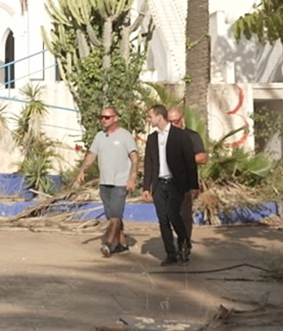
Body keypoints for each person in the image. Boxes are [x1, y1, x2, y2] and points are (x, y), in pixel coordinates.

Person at [142, 104, 206, 265]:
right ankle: (170, 253)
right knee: (162, 219)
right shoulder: (152, 138)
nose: (149, 120)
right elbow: (149, 163)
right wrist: (146, 187)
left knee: (174, 215)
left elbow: (190, 163)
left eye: (150, 116)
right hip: (159, 184)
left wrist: (193, 185)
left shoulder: (180, 136)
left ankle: (184, 245)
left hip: (175, 183)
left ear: (159, 116)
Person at [72, 106, 138, 257]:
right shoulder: (99, 136)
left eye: (107, 117)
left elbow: (134, 157)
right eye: (101, 117)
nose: (103, 120)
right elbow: (91, 155)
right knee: (113, 215)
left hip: (120, 182)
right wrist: (82, 170)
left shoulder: (125, 136)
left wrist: (132, 178)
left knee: (115, 216)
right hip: (105, 182)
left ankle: (108, 244)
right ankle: (122, 243)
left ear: (116, 118)